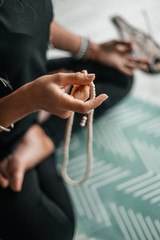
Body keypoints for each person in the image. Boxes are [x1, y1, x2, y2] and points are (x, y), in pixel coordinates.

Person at [0, 0, 150, 240]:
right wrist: (30, 100)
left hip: (26, 81)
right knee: (57, 231)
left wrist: (93, 50)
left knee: (120, 74)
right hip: (4, 133)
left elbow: (32, 20)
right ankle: (28, 144)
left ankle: (39, 137)